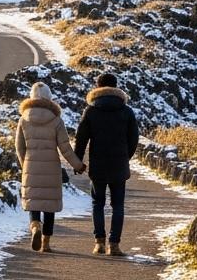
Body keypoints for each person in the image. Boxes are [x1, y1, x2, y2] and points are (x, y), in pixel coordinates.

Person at [73, 72, 140, 256]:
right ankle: (115, 245)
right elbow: (134, 138)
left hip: (98, 164)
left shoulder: (91, 110)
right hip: (119, 163)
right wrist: (126, 157)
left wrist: (78, 161)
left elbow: (81, 138)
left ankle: (99, 243)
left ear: (98, 87)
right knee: (118, 204)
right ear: (116, 87)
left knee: (98, 203)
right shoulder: (126, 111)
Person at [14, 81, 85, 252]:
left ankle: (35, 226)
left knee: (33, 202)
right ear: (49, 97)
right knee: (49, 205)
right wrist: (78, 165)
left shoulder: (24, 119)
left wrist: (25, 165)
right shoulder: (56, 120)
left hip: (31, 166)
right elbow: (65, 148)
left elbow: (19, 147)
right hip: (51, 167)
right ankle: (45, 243)